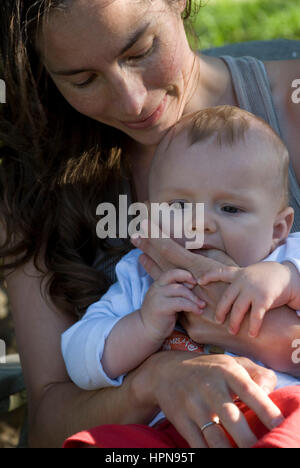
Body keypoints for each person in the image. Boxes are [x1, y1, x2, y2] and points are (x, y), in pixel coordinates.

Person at [0, 0, 299, 448]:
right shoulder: (32, 188)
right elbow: (48, 426)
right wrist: (151, 380)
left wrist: (249, 327)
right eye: (82, 79)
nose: (132, 101)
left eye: (140, 51)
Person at [61, 106, 300, 447]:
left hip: (275, 408)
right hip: (180, 428)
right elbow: (78, 357)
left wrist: (287, 279)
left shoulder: (288, 257)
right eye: (178, 206)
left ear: (278, 228)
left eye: (230, 208)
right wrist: (142, 326)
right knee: (107, 441)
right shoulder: (141, 274)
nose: (198, 223)